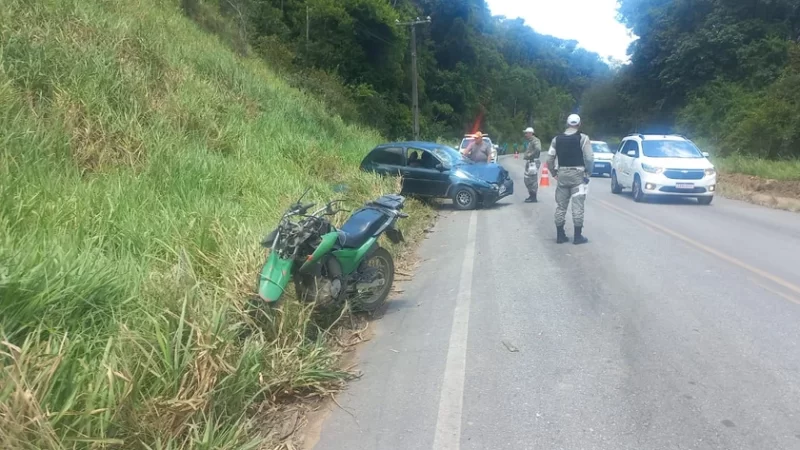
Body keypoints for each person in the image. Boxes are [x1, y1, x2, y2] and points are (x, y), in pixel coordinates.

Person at [546, 114, 594, 245]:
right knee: (577, 206)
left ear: (567, 124)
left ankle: (560, 235)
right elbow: (589, 158)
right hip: (578, 175)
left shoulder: (557, 139)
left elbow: (549, 159)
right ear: (579, 124)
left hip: (562, 174)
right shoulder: (583, 138)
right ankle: (577, 237)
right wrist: (588, 172)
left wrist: (553, 172)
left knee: (561, 206)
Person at [522, 127, 542, 203]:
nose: (525, 135)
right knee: (527, 179)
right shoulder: (531, 141)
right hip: (530, 162)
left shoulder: (535, 140)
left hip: (533, 162)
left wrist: (531, 154)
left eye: (526, 133)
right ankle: (531, 195)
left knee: (532, 179)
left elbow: (538, 149)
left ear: (530, 133)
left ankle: (533, 196)